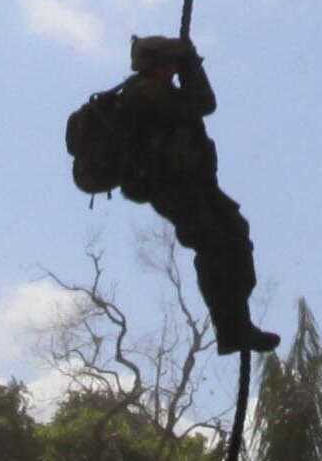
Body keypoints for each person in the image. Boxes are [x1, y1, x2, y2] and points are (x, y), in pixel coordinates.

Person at [63, 31, 276, 352]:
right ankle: (232, 330)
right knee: (217, 246)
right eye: (172, 62)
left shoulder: (152, 90)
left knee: (232, 239)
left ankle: (237, 324)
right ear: (159, 64)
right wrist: (194, 67)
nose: (176, 68)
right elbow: (204, 103)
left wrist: (190, 65)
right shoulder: (147, 93)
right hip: (172, 186)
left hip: (191, 184)